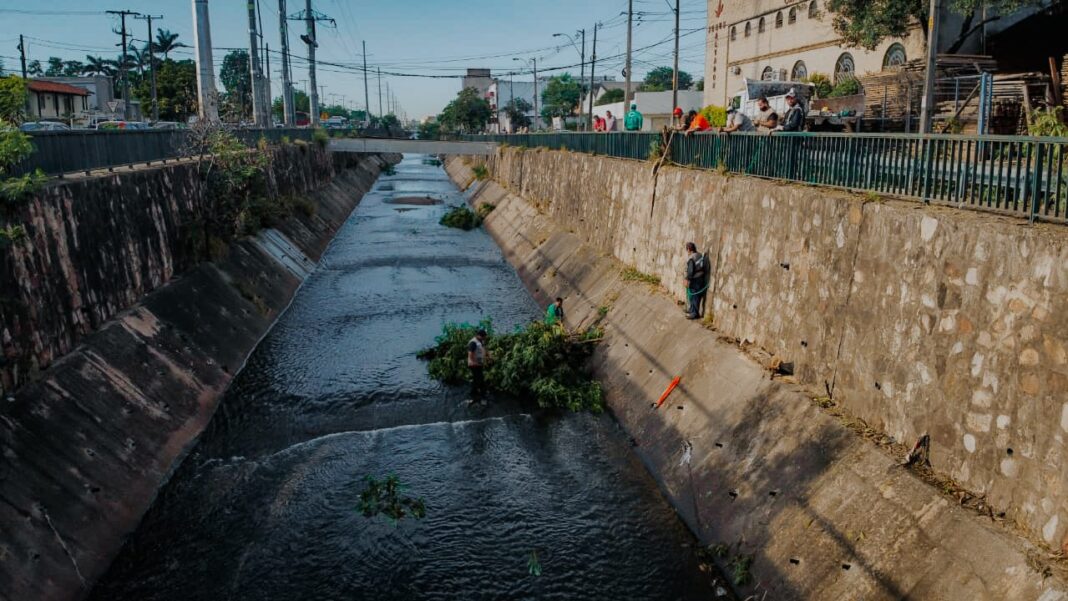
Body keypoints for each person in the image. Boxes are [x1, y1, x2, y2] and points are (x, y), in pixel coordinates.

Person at [683, 242, 708, 320]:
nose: (687, 251)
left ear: (689, 249)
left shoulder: (692, 258)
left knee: (694, 296)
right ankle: (691, 310)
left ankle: (694, 313)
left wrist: (687, 279)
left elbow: (690, 271)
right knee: (694, 296)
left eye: (687, 249)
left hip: (695, 279)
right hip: (701, 278)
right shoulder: (700, 255)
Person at [467, 329, 489, 403]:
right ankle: (482, 396)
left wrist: (488, 356)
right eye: (483, 337)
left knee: (477, 379)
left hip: (479, 363)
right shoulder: (473, 343)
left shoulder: (481, 341)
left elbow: (483, 348)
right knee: (480, 379)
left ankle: (474, 393)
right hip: (473, 364)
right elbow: (470, 354)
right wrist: (474, 362)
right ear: (479, 335)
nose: (484, 338)